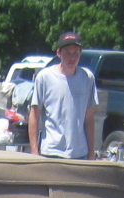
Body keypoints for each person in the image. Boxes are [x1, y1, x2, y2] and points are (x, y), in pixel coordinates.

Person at [29, 32, 98, 160]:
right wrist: (34, 151)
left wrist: (91, 152)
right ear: (58, 53)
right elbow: (34, 115)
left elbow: (89, 118)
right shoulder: (44, 77)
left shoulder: (87, 78)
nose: (72, 58)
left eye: (76, 52)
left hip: (79, 154)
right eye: (67, 53)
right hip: (50, 152)